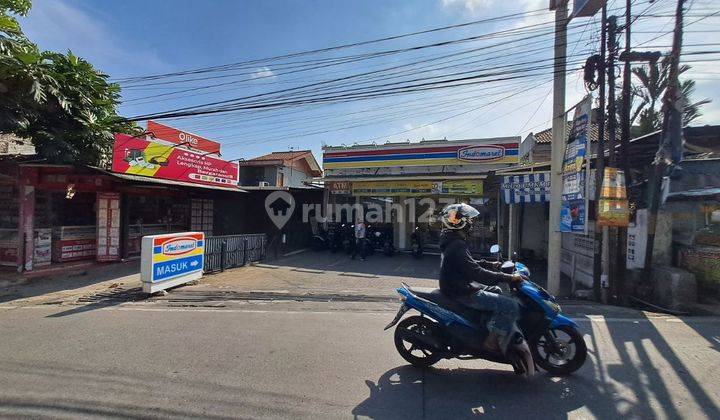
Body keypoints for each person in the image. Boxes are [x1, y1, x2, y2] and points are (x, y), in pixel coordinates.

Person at [438, 203, 535, 376]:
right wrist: (509, 277)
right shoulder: (457, 245)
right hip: (462, 292)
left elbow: (470, 264)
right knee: (511, 306)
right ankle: (491, 341)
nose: (472, 224)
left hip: (458, 286)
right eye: (469, 221)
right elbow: (478, 273)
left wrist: (492, 264)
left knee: (497, 292)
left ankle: (487, 328)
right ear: (460, 223)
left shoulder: (453, 241)